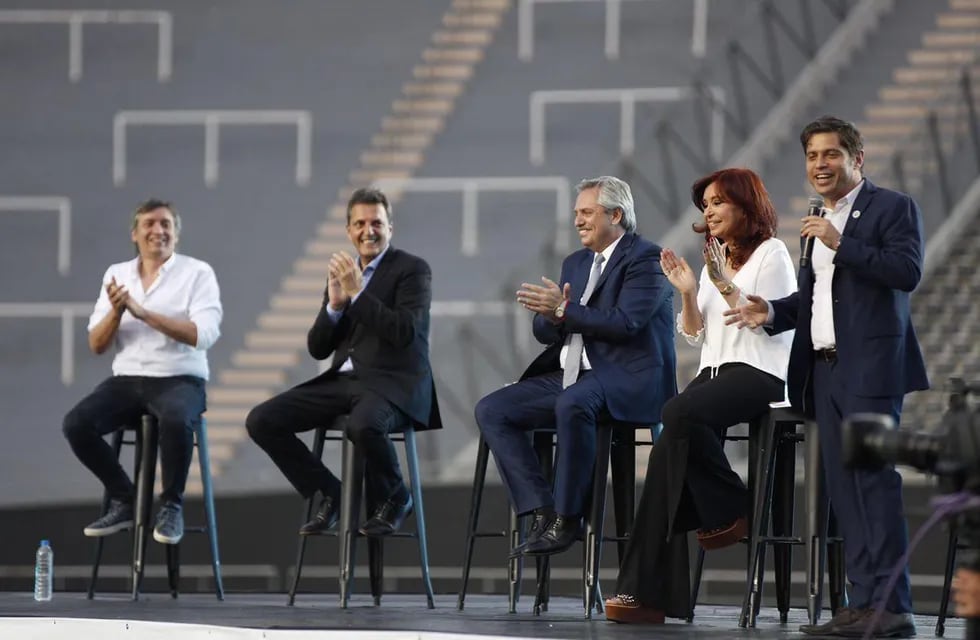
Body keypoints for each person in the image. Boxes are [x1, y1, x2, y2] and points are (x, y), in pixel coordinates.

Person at [725, 116, 928, 638]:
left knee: (874, 486)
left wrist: (842, 242)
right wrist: (768, 311)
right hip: (824, 371)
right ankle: (862, 602)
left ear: (857, 159)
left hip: (871, 371)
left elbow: (906, 272)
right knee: (843, 491)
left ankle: (893, 606)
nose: (820, 164)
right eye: (813, 155)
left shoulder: (891, 207)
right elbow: (814, 300)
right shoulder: (817, 220)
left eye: (831, 154)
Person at [603, 168, 796, 623]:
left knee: (676, 413)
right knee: (669, 451)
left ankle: (730, 507)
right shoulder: (714, 259)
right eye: (705, 204)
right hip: (715, 371)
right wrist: (690, 293)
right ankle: (647, 595)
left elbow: (760, 319)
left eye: (717, 202)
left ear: (745, 205)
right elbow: (695, 333)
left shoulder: (772, 254)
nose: (708, 211)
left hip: (761, 372)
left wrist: (724, 280)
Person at [474, 175, 676, 557]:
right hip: (573, 375)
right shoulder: (575, 262)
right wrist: (552, 314)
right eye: (576, 213)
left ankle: (570, 518)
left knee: (572, 404)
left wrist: (565, 310)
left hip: (625, 377)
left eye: (587, 212)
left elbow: (625, 323)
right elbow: (547, 331)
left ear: (616, 214)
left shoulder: (646, 259)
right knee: (492, 409)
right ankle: (541, 509)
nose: (578, 221)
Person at [247, 187, 440, 537]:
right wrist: (335, 307)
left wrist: (358, 294)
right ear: (349, 230)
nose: (369, 230)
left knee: (363, 425)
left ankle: (395, 497)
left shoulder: (413, 270)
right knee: (262, 420)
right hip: (344, 382)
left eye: (377, 223)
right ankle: (328, 494)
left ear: (390, 228)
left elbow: (404, 332)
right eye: (361, 223)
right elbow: (318, 348)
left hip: (395, 383)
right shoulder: (344, 272)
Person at [64, 199, 222, 545]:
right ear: (135, 234)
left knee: (178, 419)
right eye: (149, 224)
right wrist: (118, 312)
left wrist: (143, 312)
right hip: (128, 378)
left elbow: (202, 335)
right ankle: (126, 498)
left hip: (181, 377)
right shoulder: (116, 274)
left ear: (176, 235)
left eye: (166, 224)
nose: (158, 230)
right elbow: (97, 344)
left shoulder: (198, 273)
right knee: (76, 424)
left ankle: (171, 506)